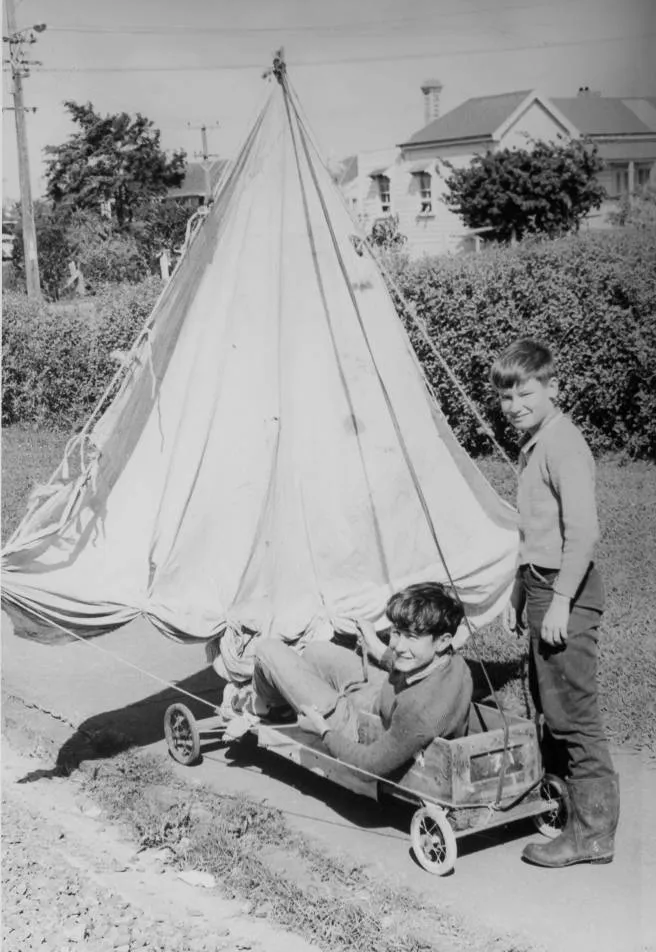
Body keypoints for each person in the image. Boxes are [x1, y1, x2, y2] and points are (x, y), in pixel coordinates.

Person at [491, 338, 619, 868]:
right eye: (505, 397)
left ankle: (592, 837)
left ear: (553, 389)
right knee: (550, 708)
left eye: (526, 394)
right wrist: (522, 592)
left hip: (569, 589)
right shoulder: (536, 444)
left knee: (574, 716)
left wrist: (561, 601)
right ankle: (567, 817)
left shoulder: (564, 444)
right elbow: (537, 532)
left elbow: (583, 533)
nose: (515, 406)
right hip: (544, 585)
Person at [232, 582, 473, 779]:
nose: (397, 645)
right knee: (317, 651)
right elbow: (410, 664)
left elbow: (369, 767)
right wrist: (374, 644)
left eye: (411, 637)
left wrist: (323, 730)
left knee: (267, 650)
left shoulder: (419, 713)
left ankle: (268, 707)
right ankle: (285, 694)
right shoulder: (453, 663)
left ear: (442, 640)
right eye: (397, 632)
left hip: (358, 727)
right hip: (383, 695)